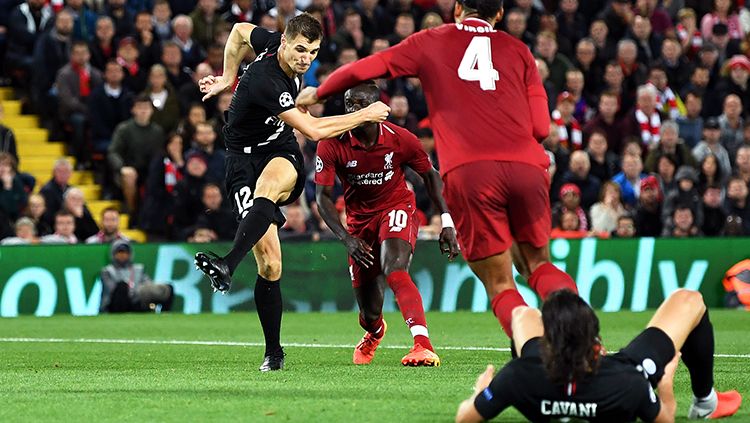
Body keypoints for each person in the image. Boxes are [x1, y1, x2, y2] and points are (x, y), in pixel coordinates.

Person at [296, 0, 579, 341]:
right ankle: (583, 339)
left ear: (458, 8)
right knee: (539, 266)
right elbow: (541, 127)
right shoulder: (519, 51)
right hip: (528, 167)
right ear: (499, 14)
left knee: (500, 282)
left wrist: (318, 93)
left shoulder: (432, 40)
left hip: (471, 172)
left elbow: (366, 67)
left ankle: (531, 348)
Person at [194, 14, 389, 372]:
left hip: (279, 152)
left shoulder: (271, 44)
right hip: (240, 164)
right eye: (300, 49)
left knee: (268, 188)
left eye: (313, 52)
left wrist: (226, 77)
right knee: (270, 265)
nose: (306, 58)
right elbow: (313, 130)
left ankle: (226, 263)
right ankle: (274, 352)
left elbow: (239, 33)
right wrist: (365, 115)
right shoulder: (269, 80)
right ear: (284, 42)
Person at [315, 83, 460, 367]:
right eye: (348, 104)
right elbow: (322, 197)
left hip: (396, 207)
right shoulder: (331, 143)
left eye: (360, 105)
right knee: (369, 314)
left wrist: (447, 221)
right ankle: (375, 332)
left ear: (377, 110)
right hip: (358, 223)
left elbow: (430, 177)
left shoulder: (401, 139)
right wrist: (346, 237)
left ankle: (422, 344)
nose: (352, 110)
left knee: (394, 269)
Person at [454, 289, 742, 422]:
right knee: (690, 300)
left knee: (522, 314)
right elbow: (664, 420)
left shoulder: (517, 377)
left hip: (540, 384)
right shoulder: (629, 383)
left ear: (548, 344)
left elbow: (465, 418)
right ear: (596, 346)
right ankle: (705, 401)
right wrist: (665, 388)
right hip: (612, 379)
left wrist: (481, 392)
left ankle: (557, 414)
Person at [99, 240, 174, 313]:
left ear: (129, 254)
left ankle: (164, 313)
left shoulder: (139, 269)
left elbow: (147, 283)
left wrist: (143, 291)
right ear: (114, 254)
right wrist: (135, 290)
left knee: (167, 288)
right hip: (116, 304)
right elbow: (111, 289)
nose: (122, 255)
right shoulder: (107, 271)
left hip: (136, 301)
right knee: (122, 286)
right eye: (119, 252)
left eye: (125, 252)